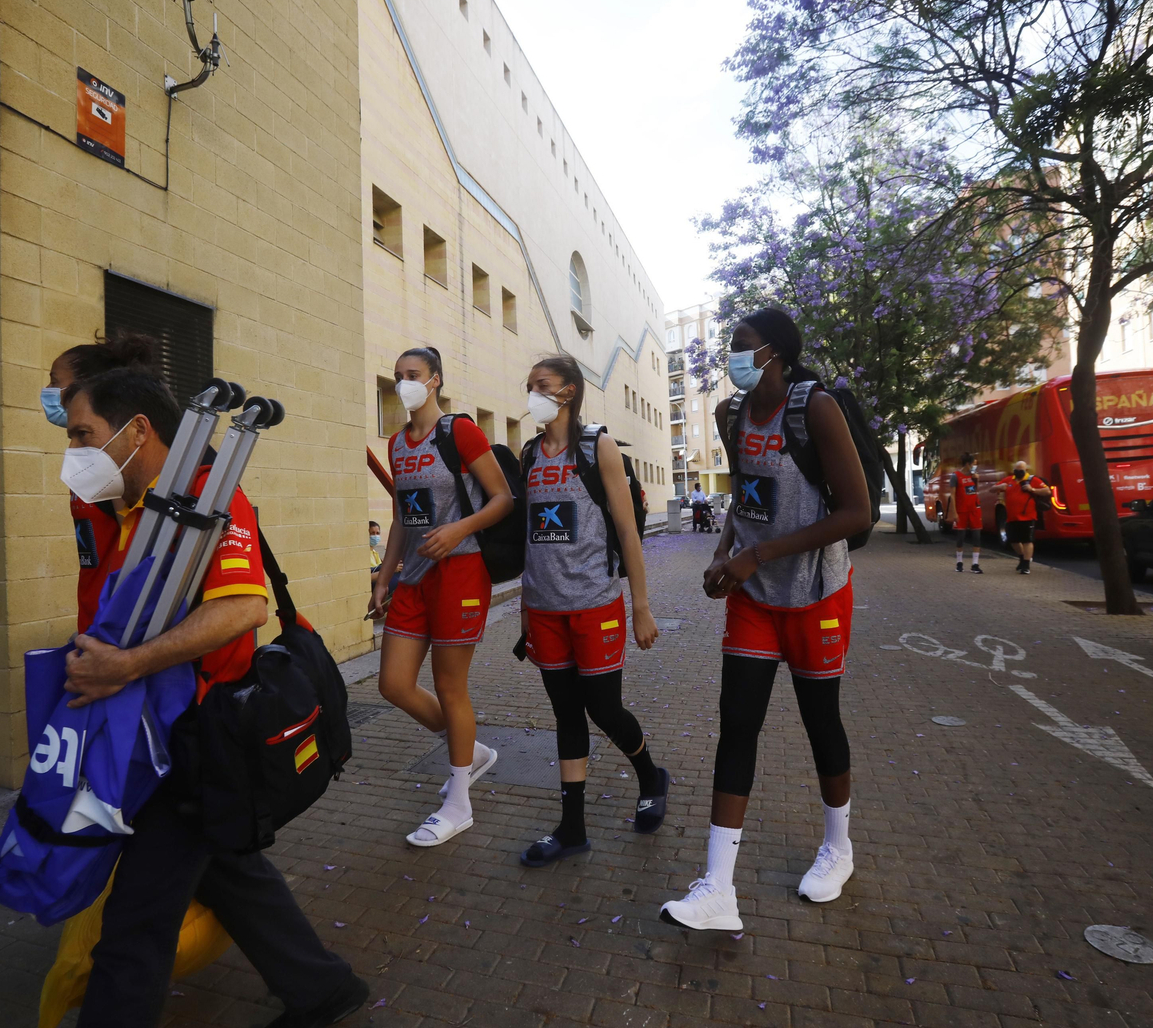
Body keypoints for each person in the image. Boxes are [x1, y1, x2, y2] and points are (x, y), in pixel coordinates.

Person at [58, 369, 368, 1028]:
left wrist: (127, 665)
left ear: (136, 430)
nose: (72, 450)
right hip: (137, 728)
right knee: (226, 867)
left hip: (193, 737)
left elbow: (243, 609)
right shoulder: (107, 505)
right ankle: (324, 992)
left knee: (136, 925)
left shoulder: (209, 496)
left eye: (82, 433)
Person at [660, 306, 871, 932]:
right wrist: (724, 554)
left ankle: (839, 848)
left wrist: (762, 554)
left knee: (819, 721)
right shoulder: (732, 415)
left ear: (776, 352)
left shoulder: (816, 409)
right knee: (737, 725)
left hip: (815, 593)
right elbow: (746, 497)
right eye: (731, 347)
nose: (734, 358)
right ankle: (717, 888)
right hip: (754, 598)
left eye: (744, 346)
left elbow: (857, 512)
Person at [517, 356, 666, 867]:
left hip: (595, 604)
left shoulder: (597, 445)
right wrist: (524, 607)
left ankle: (650, 774)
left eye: (543, 385)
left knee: (603, 709)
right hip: (544, 608)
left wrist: (640, 606)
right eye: (529, 385)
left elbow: (627, 531)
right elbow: (531, 541)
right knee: (565, 713)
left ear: (569, 392)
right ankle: (572, 827)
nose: (532, 393)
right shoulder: (529, 453)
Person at [370, 347, 514, 846]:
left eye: (413, 375)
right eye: (398, 376)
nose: (404, 382)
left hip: (461, 570)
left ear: (434, 380)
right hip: (415, 576)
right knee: (393, 683)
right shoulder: (396, 444)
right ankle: (469, 750)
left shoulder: (459, 432)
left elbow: (503, 499)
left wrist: (458, 530)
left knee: (450, 686)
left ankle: (458, 802)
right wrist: (385, 574)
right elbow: (399, 516)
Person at [42, 331, 161, 633]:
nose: (48, 390)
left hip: (119, 629)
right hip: (93, 622)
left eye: (55, 381)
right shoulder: (86, 460)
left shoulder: (120, 464)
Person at [1001, 459, 1049, 574]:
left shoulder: (1032, 480)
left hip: (1027, 516)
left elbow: (1047, 491)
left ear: (1025, 470)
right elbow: (992, 489)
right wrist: (1000, 487)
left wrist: (1032, 489)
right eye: (1016, 470)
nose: (1018, 472)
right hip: (1012, 517)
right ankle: (1022, 557)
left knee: (1027, 540)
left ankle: (1026, 565)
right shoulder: (1009, 480)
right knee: (1013, 540)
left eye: (1020, 470)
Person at [948, 452, 983, 574]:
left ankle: (975, 564)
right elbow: (952, 495)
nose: (975, 467)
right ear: (968, 464)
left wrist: (976, 480)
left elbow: (974, 491)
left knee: (977, 536)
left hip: (974, 510)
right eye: (974, 464)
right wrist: (954, 512)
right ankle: (959, 562)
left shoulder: (974, 476)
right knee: (961, 537)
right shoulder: (956, 476)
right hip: (961, 511)